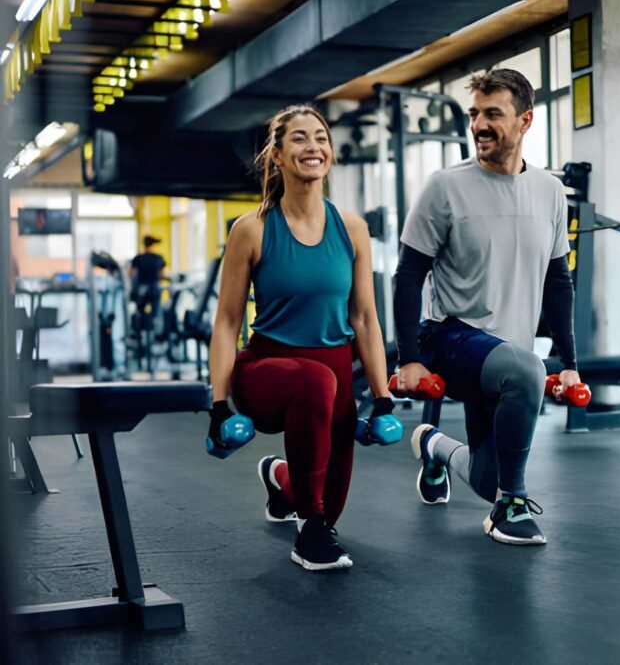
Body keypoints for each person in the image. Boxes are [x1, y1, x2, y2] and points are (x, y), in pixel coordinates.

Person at [393, 69, 580, 546]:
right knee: (525, 371)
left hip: (505, 353)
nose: (478, 124)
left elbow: (559, 281)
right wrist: (409, 358)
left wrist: (572, 365)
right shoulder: (444, 187)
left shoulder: (550, 192)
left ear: (525, 121)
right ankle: (511, 505)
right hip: (450, 337)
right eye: (474, 113)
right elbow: (409, 274)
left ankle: (433, 446)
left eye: (492, 113)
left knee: (483, 479)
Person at [208, 104, 394, 571]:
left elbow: (366, 319)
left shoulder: (351, 228)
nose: (313, 147)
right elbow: (228, 320)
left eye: (321, 138)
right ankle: (307, 536)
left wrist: (383, 396)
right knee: (318, 517)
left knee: (329, 503)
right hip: (267, 370)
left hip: (332, 376)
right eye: (299, 138)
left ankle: (280, 479)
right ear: (276, 154)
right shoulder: (251, 229)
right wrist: (217, 404)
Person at [128, 235, 166, 332]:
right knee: (156, 313)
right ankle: (156, 334)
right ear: (153, 245)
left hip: (141, 290)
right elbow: (164, 273)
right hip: (154, 289)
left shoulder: (138, 258)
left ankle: (139, 334)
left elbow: (130, 273)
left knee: (140, 312)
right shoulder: (158, 258)